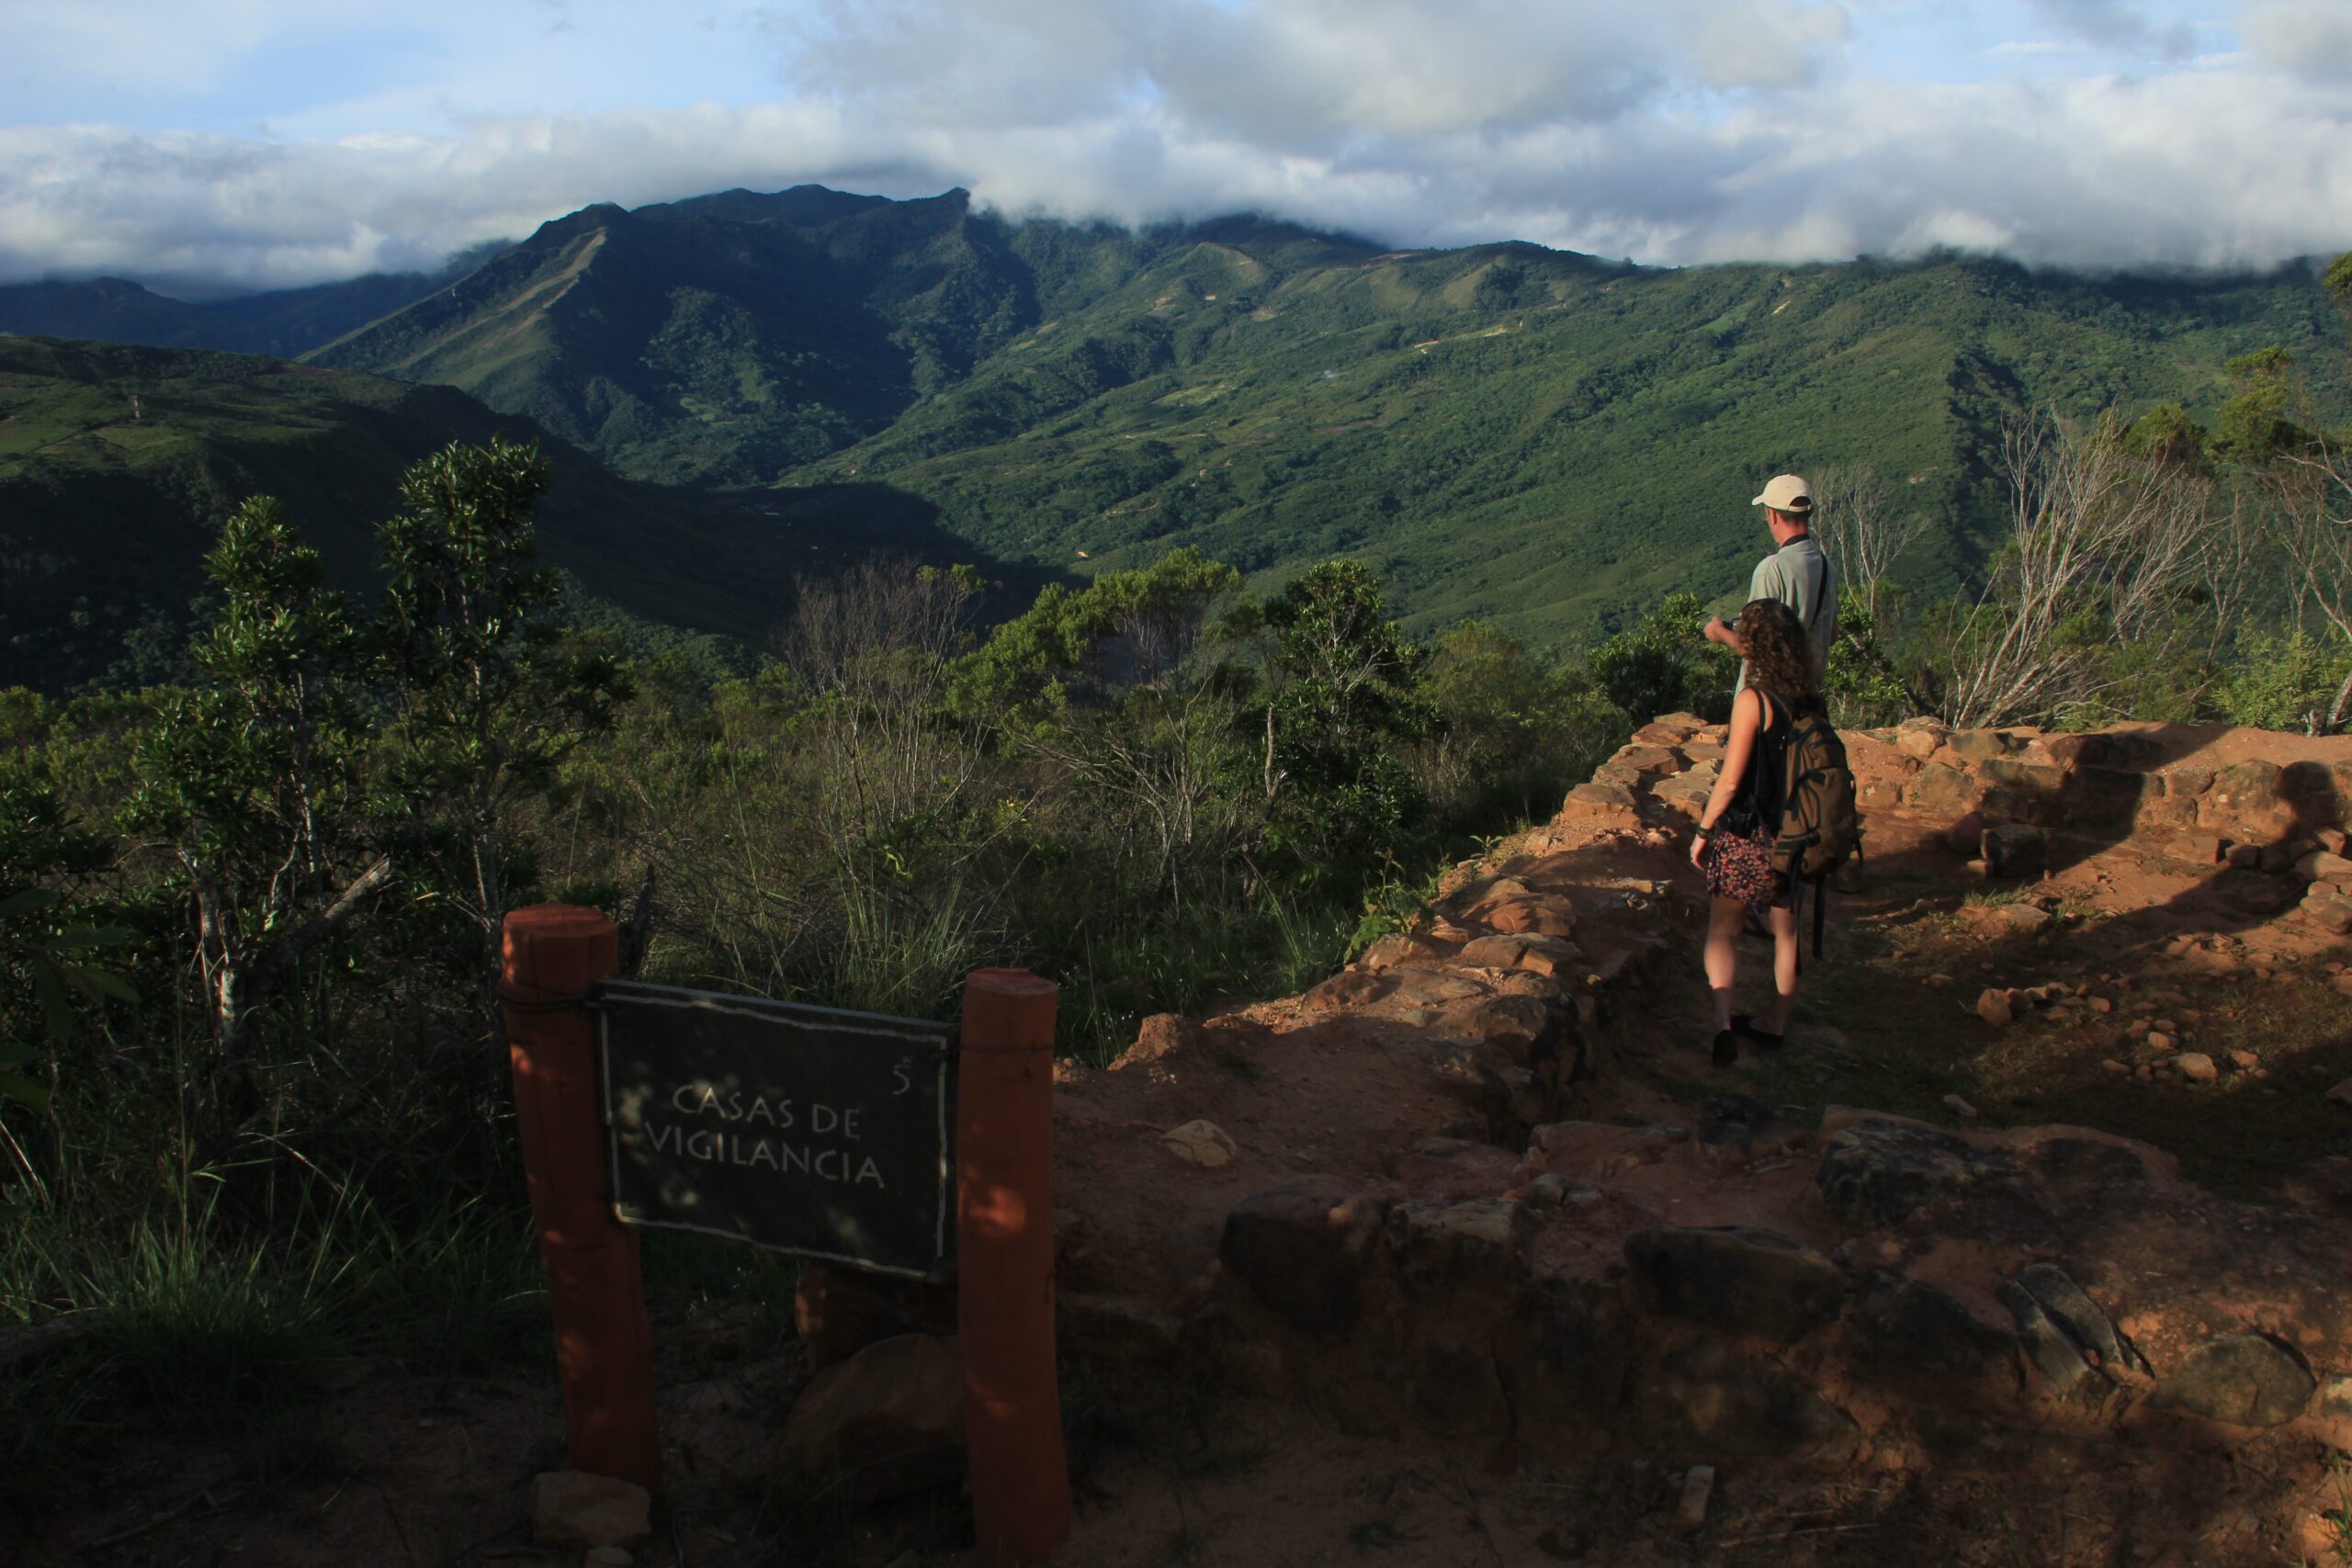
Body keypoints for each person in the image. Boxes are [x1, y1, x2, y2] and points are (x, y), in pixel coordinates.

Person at [1689, 597, 1821, 1066]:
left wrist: (1704, 832)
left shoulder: (1754, 701)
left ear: (1753, 646)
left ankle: (1722, 1022)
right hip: (1796, 836)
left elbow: (1730, 781)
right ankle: (1774, 1026)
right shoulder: (1811, 699)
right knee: (1787, 933)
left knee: (1724, 930)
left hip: (1749, 837)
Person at [1702, 473, 1838, 695]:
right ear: (1809, 513)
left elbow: (1754, 648)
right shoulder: (1826, 566)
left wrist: (1718, 632)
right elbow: (1831, 636)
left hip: (1766, 705)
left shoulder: (1771, 569)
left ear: (1772, 515)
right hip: (1806, 702)